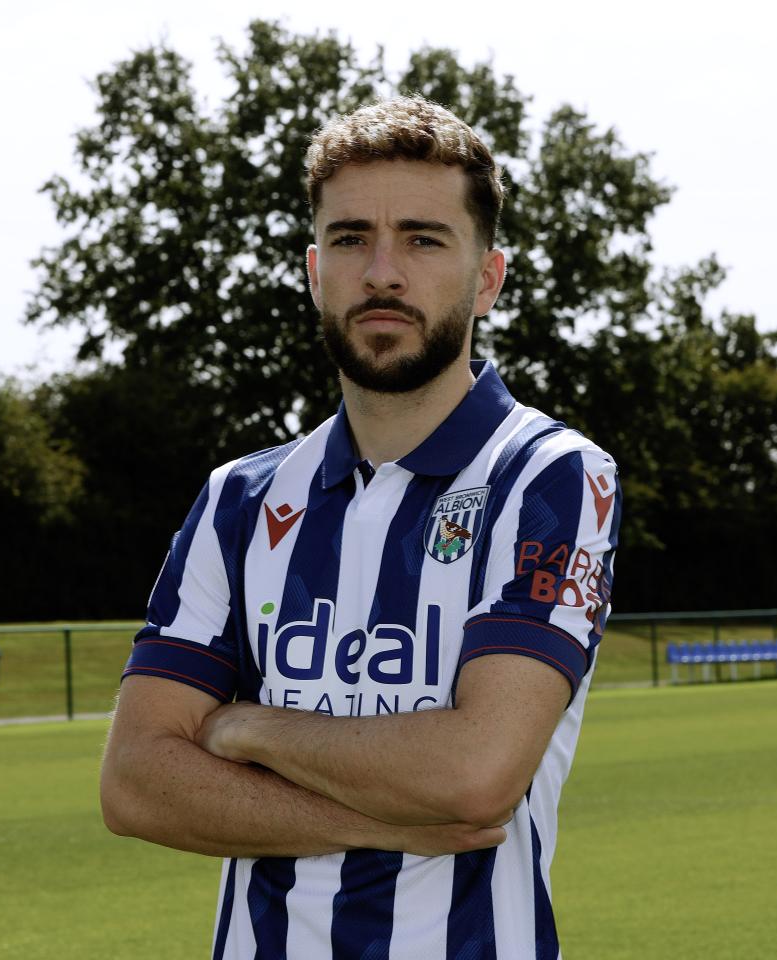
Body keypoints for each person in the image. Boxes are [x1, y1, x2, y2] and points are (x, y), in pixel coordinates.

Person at [100, 95, 620, 960]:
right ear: (315, 269)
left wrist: (249, 727)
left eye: (422, 238)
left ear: (487, 277)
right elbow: (136, 785)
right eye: (350, 240)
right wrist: (381, 817)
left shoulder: (550, 475)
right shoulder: (240, 497)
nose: (382, 271)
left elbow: (475, 775)